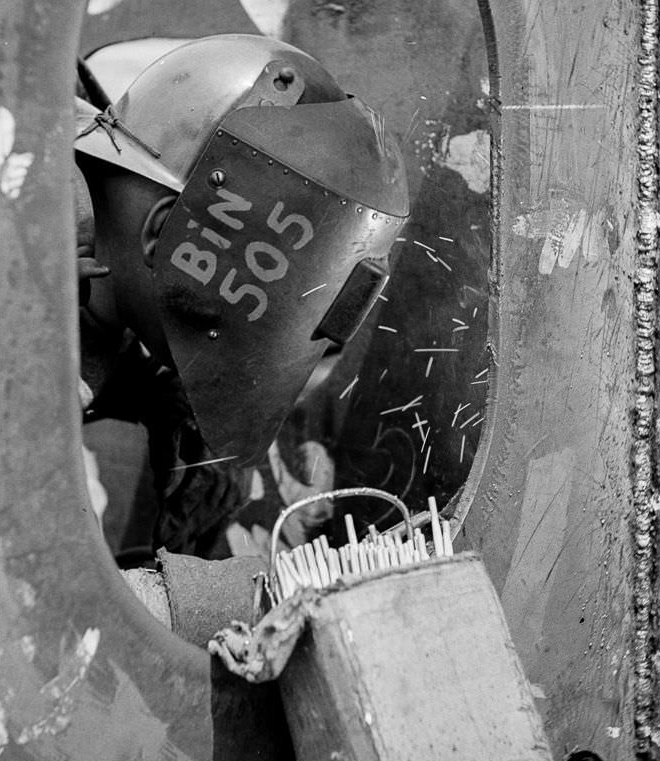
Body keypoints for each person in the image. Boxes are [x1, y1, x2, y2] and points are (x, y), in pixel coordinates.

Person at [73, 34, 409, 558]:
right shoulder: (4, 283)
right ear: (166, 239)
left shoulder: (110, 299)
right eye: (249, 306)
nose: (242, 332)